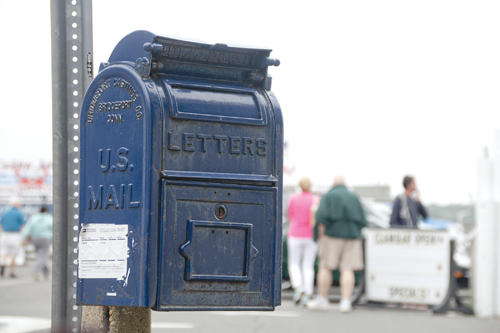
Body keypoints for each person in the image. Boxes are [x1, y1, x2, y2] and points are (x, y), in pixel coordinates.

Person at [307, 175, 367, 313]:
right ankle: (345, 302)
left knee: (326, 267)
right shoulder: (354, 196)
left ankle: (323, 299)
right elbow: (363, 219)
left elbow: (320, 217)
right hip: (352, 236)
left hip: (332, 235)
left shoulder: (329, 196)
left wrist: (321, 237)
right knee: (348, 269)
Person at [287, 177, 320, 306]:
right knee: (308, 265)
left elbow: (290, 216)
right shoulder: (315, 199)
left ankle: (298, 286)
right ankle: (308, 292)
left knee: (294, 263)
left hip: (295, 233)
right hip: (310, 236)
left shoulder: (293, 198)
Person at [21, 206, 53, 281]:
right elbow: (53, 228)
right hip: (45, 238)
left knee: (41, 255)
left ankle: (46, 272)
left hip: (35, 239)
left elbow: (27, 228)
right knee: (43, 256)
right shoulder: (49, 218)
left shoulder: (34, 218)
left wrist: (23, 238)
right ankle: (35, 271)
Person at [0, 197, 25, 278]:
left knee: (4, 252)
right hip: (15, 234)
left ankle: (3, 265)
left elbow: (1, 224)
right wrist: (24, 236)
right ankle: (11, 271)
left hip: (5, 234)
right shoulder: (19, 213)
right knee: (14, 253)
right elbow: (22, 225)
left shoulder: (5, 212)